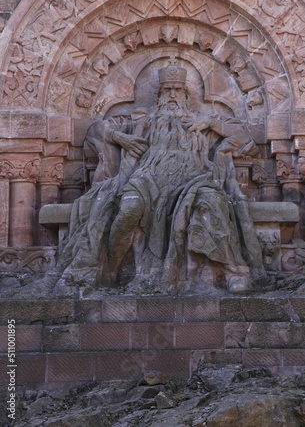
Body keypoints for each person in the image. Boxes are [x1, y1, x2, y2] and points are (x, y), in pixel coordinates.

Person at [55, 58, 265, 295]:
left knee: (213, 204)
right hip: (146, 180)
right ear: (158, 96)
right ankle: (110, 270)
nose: (172, 95)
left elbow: (247, 141)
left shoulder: (203, 124)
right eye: (167, 90)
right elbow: (95, 130)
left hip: (194, 180)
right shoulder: (140, 120)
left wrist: (212, 123)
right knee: (129, 209)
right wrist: (119, 137)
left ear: (186, 95)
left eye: (177, 90)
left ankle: (235, 272)